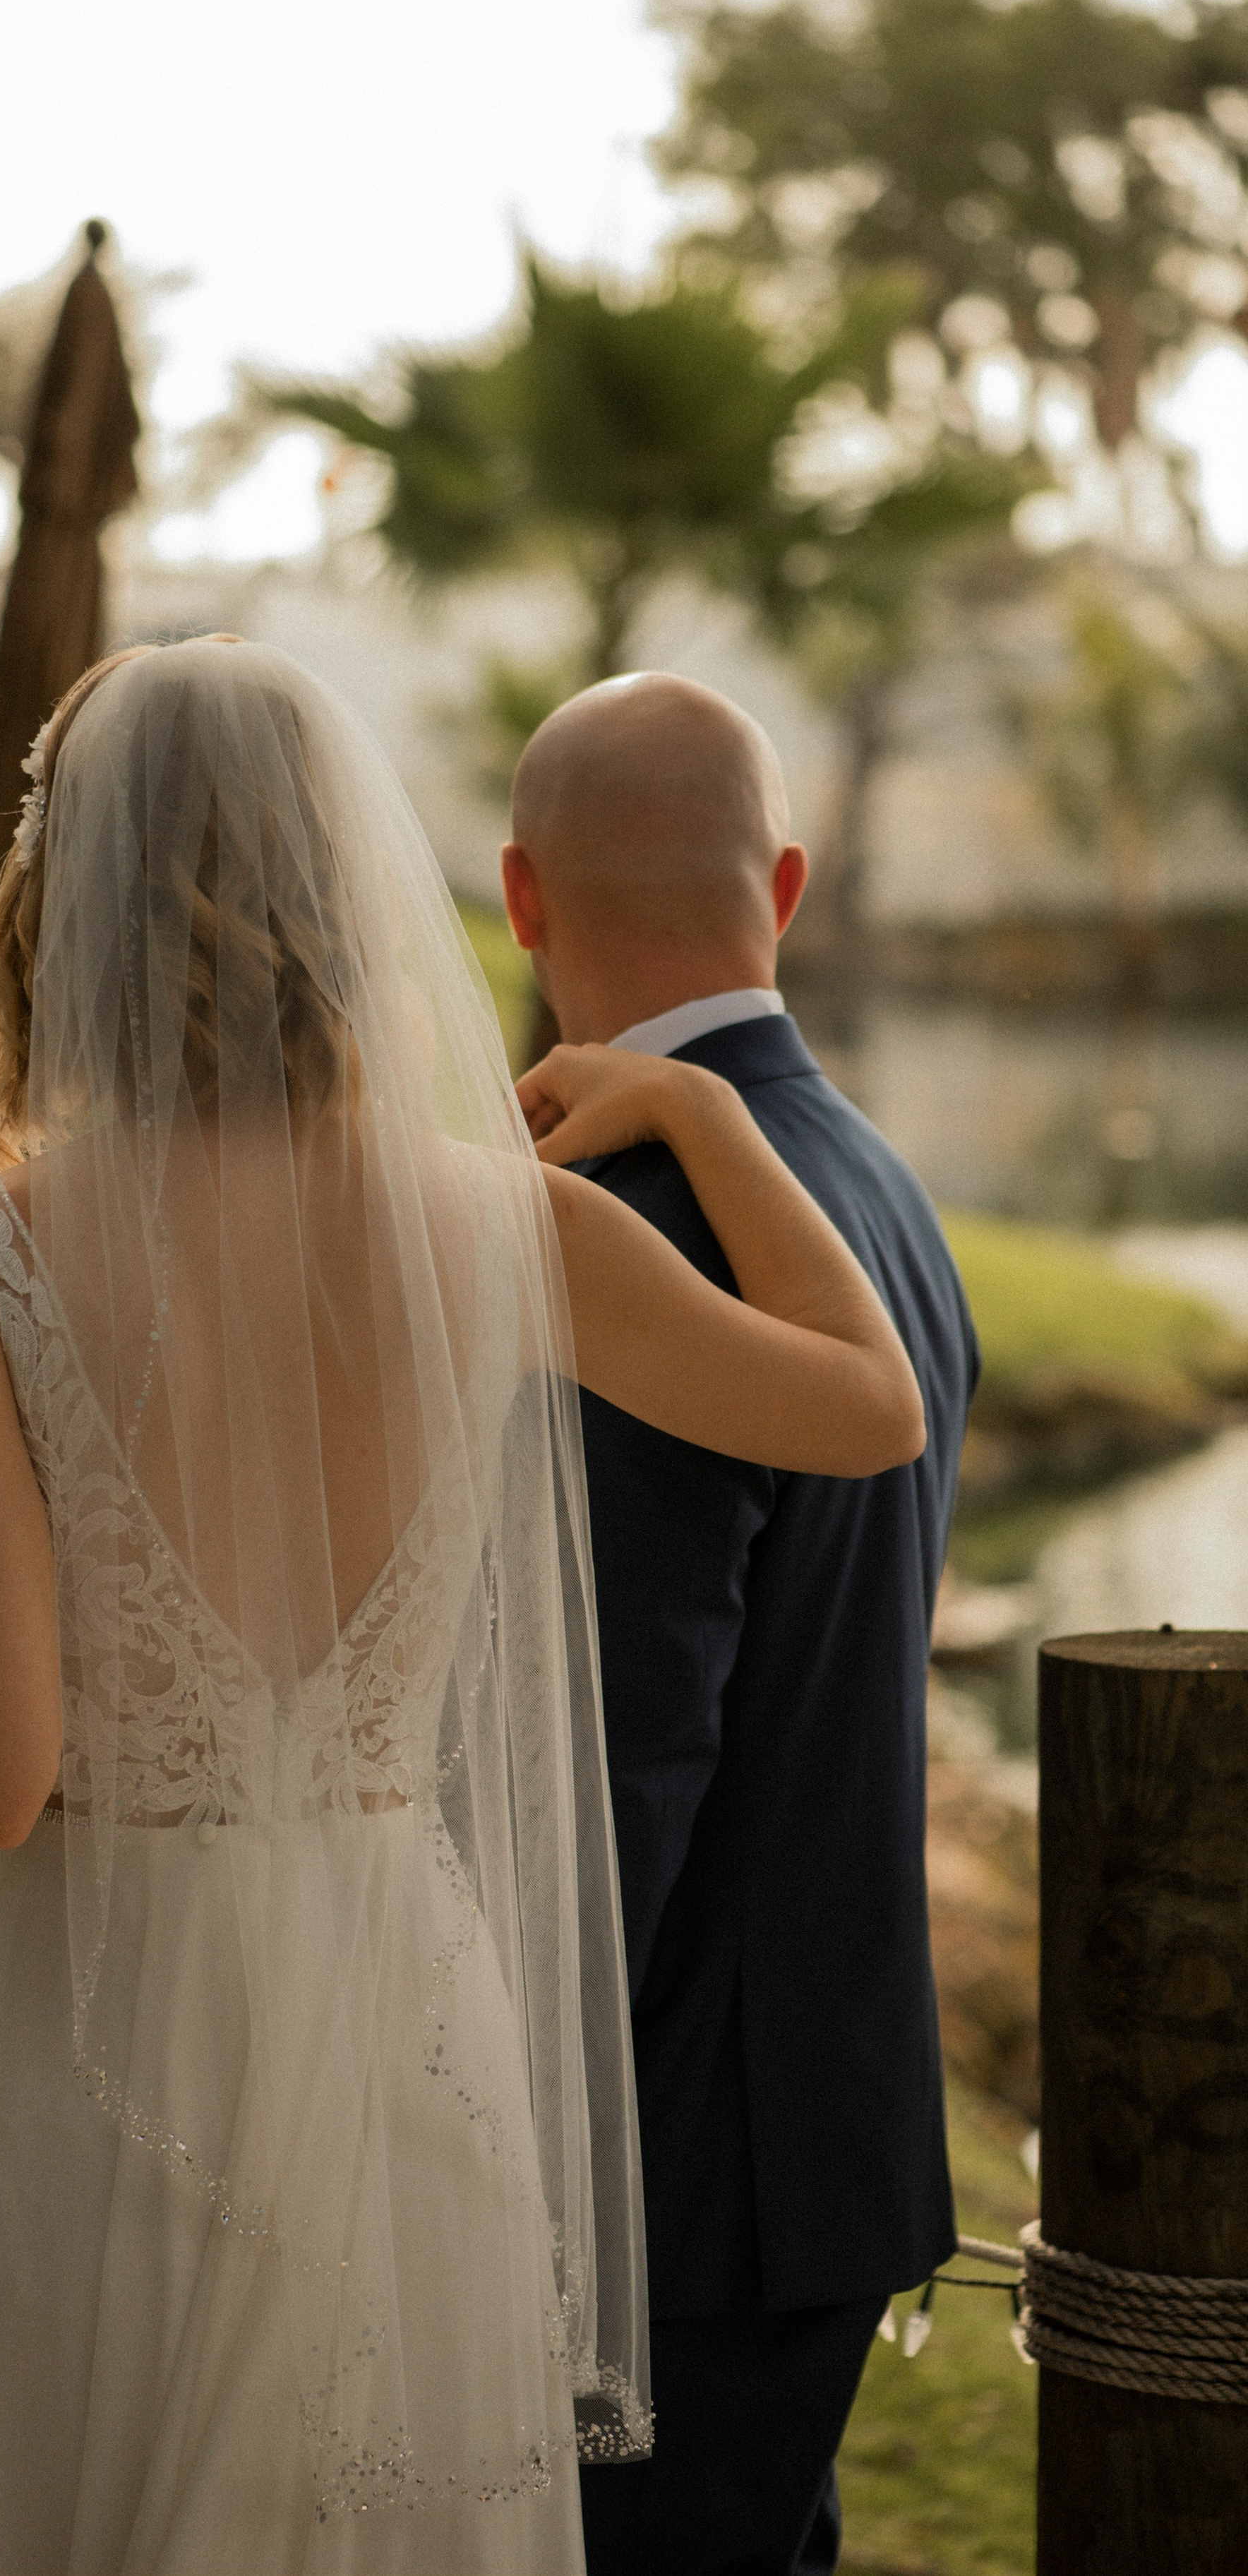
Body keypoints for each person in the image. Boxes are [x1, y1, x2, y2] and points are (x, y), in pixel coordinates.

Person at [0, 638, 925, 2576]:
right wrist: (705, 1118)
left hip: (101, 2020)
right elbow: (871, 1403)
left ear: (52, 893)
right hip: (409, 2005)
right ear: (348, 896)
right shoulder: (498, 1220)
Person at [503, 671, 979, 2576]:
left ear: (523, 900)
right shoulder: (869, 1182)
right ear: (780, 879)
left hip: (676, 2157)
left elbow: (633, 1736)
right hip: (823, 2108)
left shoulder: (634, 1220)